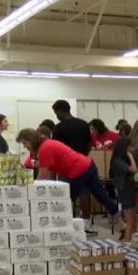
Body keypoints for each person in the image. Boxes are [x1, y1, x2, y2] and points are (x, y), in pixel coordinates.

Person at [17, 128, 123, 230]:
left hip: (77, 171)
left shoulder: (45, 148)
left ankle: (59, 226)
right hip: (87, 165)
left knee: (62, 200)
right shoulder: (46, 144)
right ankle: (119, 220)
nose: (25, 146)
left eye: (25, 143)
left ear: (31, 140)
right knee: (100, 194)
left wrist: (33, 194)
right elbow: (40, 165)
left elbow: (43, 176)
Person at [52, 100, 95, 235]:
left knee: (66, 196)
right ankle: (87, 224)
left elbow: (56, 149)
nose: (56, 116)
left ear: (60, 111)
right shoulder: (83, 124)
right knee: (84, 193)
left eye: (56, 113)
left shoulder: (58, 128)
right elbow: (89, 145)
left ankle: (66, 223)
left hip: (66, 167)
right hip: (83, 164)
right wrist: (82, 157)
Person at [109, 136, 138, 241]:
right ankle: (128, 243)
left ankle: (133, 240)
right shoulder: (118, 161)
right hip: (125, 191)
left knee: (133, 219)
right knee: (130, 220)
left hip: (129, 190)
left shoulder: (119, 161)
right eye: (130, 146)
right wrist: (131, 156)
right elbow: (134, 170)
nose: (132, 148)